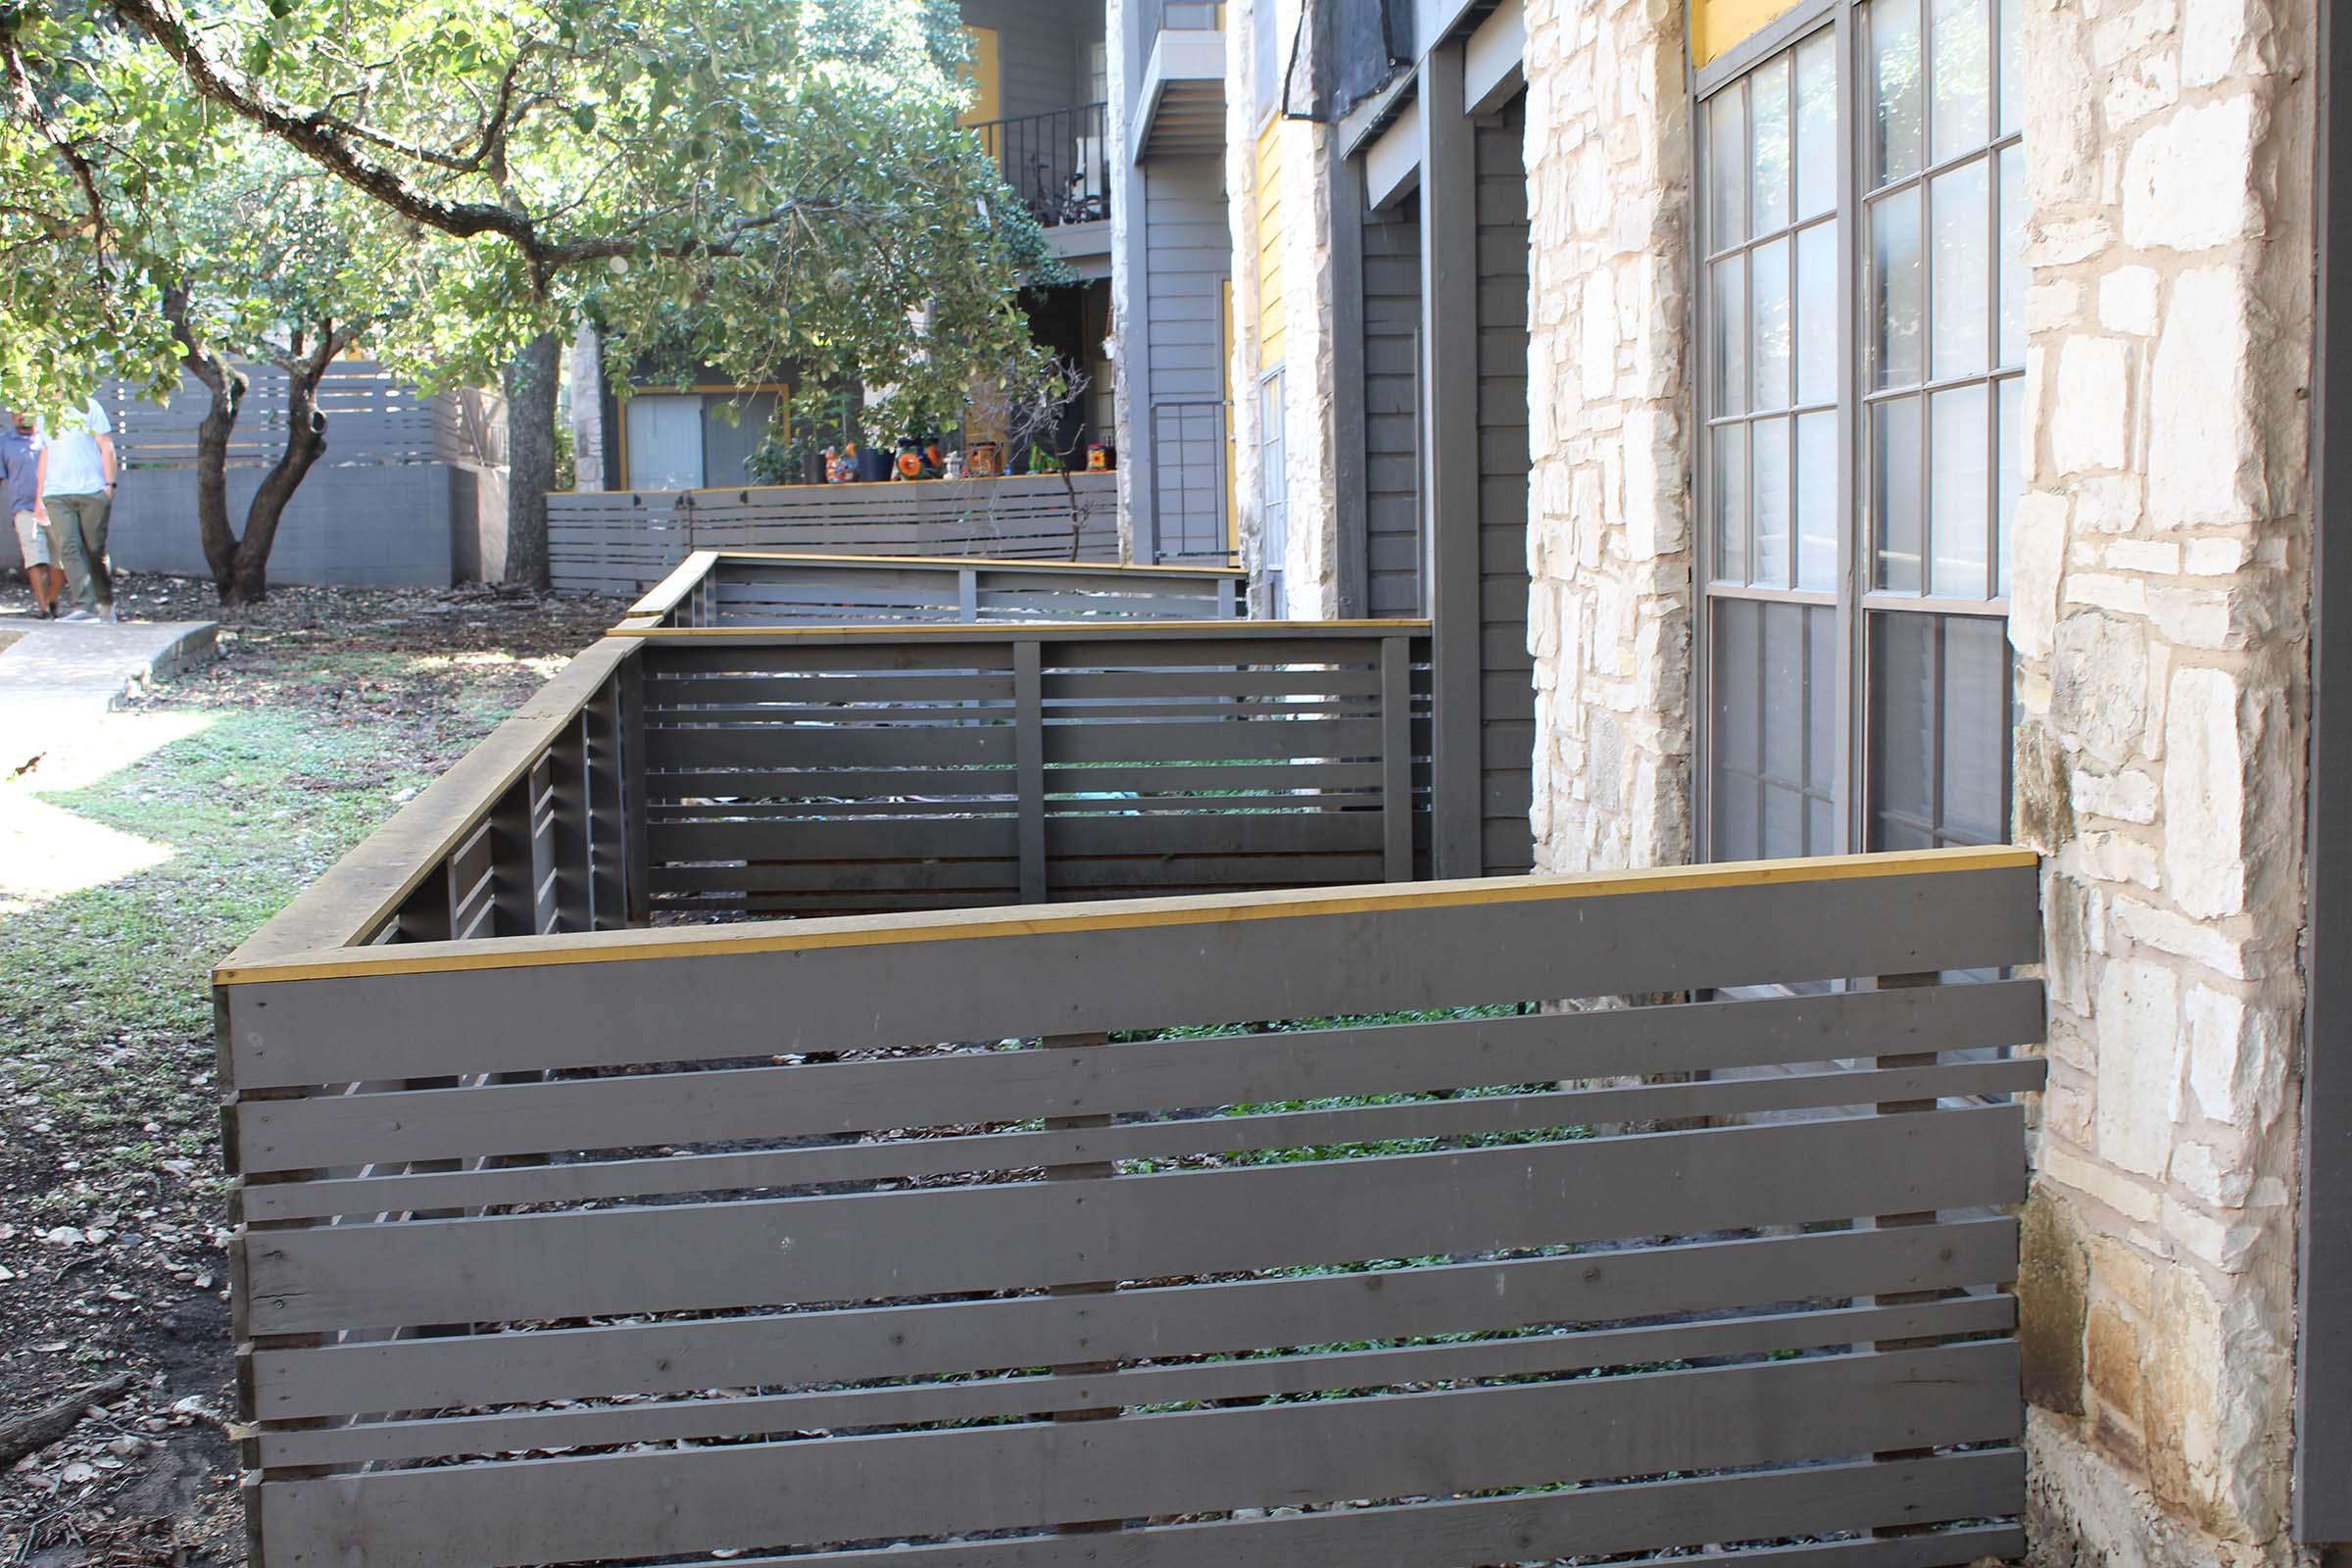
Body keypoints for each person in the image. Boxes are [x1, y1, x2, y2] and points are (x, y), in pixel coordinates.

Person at [40, 394, 117, 623]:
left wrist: (109, 484)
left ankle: (105, 604)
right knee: (68, 548)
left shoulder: (90, 406)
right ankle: (84, 606)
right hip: (56, 493)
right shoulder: (42, 412)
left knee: (95, 550)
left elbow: (106, 445)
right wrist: (40, 494)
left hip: (92, 490)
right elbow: (45, 453)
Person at [0, 412, 55, 617]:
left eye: (27, 410)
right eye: (17, 411)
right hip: (24, 508)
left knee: (60, 560)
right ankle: (44, 608)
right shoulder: (4, 443)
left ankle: (54, 600)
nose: (22, 416)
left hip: (56, 506)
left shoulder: (50, 437)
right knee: (35, 557)